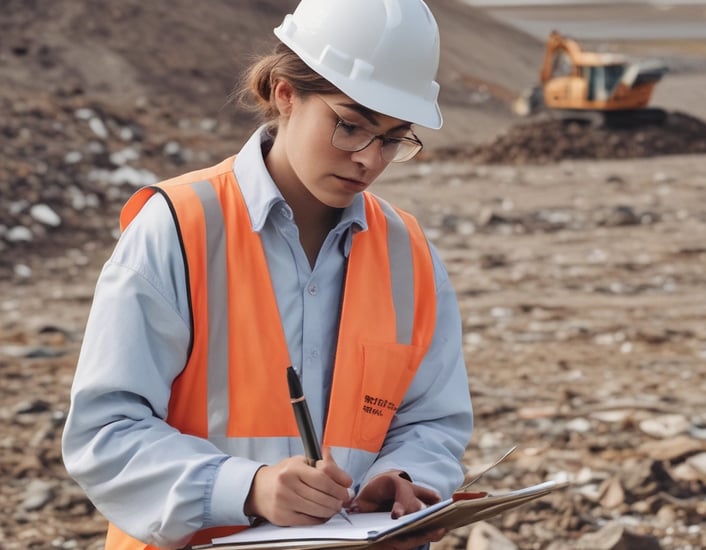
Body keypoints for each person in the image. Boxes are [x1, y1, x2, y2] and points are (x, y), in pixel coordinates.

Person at [61, 0, 473, 549]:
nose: (369, 161)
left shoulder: (408, 252)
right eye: (350, 126)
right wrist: (248, 489)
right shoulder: (178, 228)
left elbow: (432, 420)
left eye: (394, 138)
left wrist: (402, 480)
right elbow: (104, 433)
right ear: (284, 93)